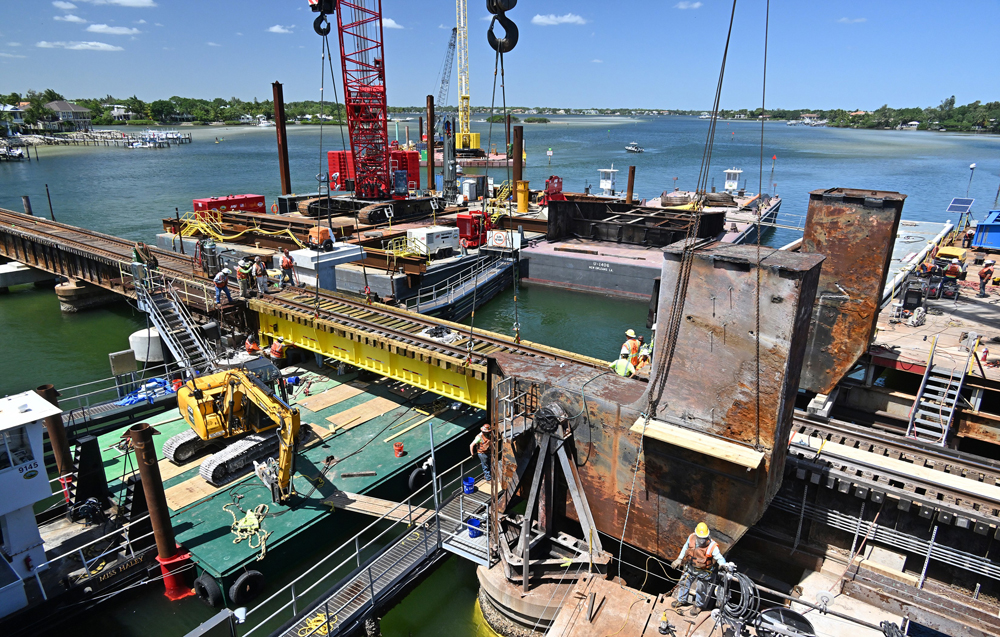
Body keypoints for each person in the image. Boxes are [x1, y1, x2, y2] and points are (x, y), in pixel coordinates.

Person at [671, 522, 733, 616]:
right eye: (700, 538)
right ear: (696, 535)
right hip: (690, 569)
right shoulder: (691, 538)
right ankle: (681, 600)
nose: (702, 540)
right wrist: (679, 559)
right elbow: (685, 547)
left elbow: (719, 557)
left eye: (703, 538)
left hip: (704, 572)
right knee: (684, 583)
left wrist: (723, 564)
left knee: (701, 589)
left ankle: (698, 606)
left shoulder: (712, 546)